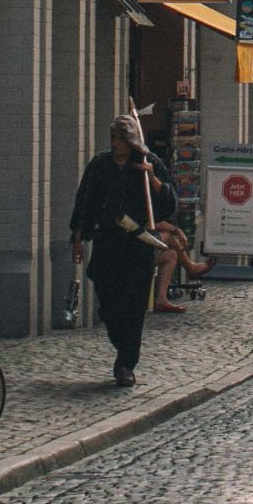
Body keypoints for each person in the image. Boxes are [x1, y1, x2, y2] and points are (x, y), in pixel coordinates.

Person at [68, 115, 176, 386]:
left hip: (137, 244)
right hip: (108, 239)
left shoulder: (148, 164)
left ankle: (126, 363)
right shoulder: (100, 165)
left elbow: (169, 204)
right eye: (113, 138)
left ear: (131, 141)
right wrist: (79, 237)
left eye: (120, 139)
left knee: (134, 304)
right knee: (107, 299)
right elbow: (86, 200)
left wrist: (151, 178)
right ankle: (121, 345)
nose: (115, 144)